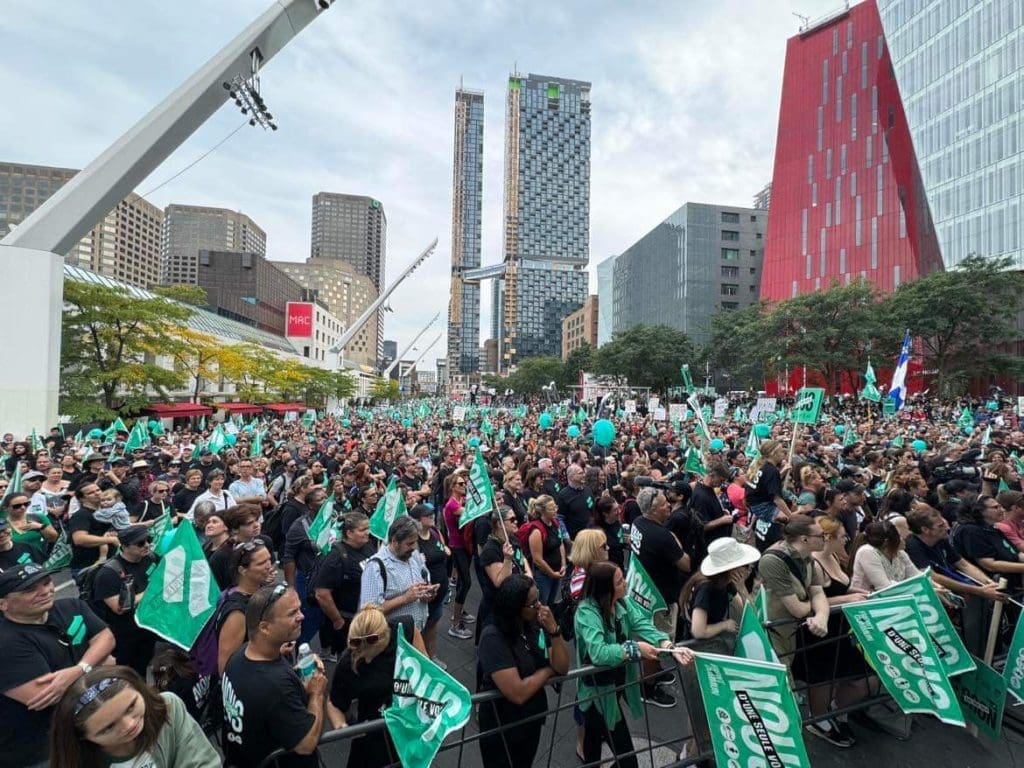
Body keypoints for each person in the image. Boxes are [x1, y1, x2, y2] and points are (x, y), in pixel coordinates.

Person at [574, 562, 693, 768]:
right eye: (620, 581)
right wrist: (635, 648)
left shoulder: (622, 603)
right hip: (597, 696)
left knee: (592, 745)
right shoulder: (587, 613)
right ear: (606, 589)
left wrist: (667, 645)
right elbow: (599, 652)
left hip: (613, 689)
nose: (626, 583)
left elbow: (643, 624)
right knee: (628, 761)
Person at [0, 563, 116, 768]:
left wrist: (81, 668)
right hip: (41, 751)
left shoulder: (72, 606)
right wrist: (101, 665)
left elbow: (106, 637)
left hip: (86, 731)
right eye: (30, 589)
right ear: (3, 604)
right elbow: (49, 696)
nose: (45, 591)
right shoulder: (6, 643)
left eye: (46, 583)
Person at [757, 516, 848, 746]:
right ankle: (779, 745)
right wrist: (812, 607)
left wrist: (821, 617)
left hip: (790, 633)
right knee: (779, 691)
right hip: (771, 632)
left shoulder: (809, 559)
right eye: (821, 536)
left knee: (785, 688)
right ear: (805, 539)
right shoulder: (773, 560)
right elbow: (798, 608)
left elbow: (818, 593)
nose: (825, 539)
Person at [221, 585, 326, 768]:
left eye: (300, 609)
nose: (301, 616)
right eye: (292, 613)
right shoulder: (275, 686)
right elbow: (306, 744)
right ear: (265, 628)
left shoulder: (239, 655)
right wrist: (317, 693)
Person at [477, 574, 570, 768]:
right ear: (515, 607)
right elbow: (517, 692)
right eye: (533, 603)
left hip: (531, 718)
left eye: (538, 600)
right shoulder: (492, 637)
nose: (539, 606)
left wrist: (554, 630)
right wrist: (547, 672)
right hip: (502, 725)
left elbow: (562, 666)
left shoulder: (534, 623)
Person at [48, 665, 219, 768]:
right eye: (108, 728)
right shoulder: (77, 760)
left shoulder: (168, 707)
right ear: (82, 737)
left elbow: (204, 762)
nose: (129, 725)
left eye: (131, 707)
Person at [326, 605, 426, 768]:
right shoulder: (348, 662)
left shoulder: (404, 628)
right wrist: (343, 727)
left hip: (409, 723)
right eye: (357, 645)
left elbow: (425, 669)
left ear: (386, 635)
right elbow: (334, 702)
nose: (364, 654)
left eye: (372, 646)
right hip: (374, 730)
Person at [905, 506, 1007, 656]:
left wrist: (987, 583)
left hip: (963, 591)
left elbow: (963, 564)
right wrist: (979, 590)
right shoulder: (913, 546)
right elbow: (933, 576)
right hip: (938, 600)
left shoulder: (941, 539)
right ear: (925, 530)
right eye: (940, 525)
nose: (947, 526)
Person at [630, 486, 688, 707]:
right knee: (654, 644)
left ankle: (654, 673)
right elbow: (685, 563)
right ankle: (647, 687)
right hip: (658, 600)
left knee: (651, 641)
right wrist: (674, 539)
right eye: (665, 505)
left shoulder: (637, 522)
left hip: (643, 593)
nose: (669, 507)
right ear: (653, 510)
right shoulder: (663, 536)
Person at [90, 525, 159, 676]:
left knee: (142, 667)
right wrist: (151, 591)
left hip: (146, 628)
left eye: (149, 540)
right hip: (123, 636)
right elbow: (120, 607)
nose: (147, 545)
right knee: (126, 674)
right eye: (140, 543)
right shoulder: (108, 574)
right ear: (125, 546)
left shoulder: (151, 558)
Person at [313, 511, 377, 660]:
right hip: (348, 620)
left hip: (366, 617)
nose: (367, 532)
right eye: (362, 530)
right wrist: (337, 620)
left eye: (368, 528)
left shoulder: (368, 546)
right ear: (349, 533)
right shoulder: (336, 557)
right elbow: (322, 593)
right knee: (350, 661)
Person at [359, 515, 437, 631]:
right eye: (409, 543)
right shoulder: (376, 567)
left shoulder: (414, 555)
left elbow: (423, 579)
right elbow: (369, 612)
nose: (414, 547)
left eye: (415, 542)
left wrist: (427, 593)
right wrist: (405, 598)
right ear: (395, 541)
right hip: (392, 638)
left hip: (416, 632)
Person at [216, 540, 277, 675]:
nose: (269, 566)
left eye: (269, 559)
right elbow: (225, 667)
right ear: (243, 570)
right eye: (261, 563)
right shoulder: (237, 613)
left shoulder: (262, 592)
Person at [476, 506, 533, 644]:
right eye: (512, 519)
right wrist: (507, 559)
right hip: (497, 607)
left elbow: (523, 559)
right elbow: (500, 581)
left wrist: (528, 578)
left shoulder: (512, 539)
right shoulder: (490, 550)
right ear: (499, 524)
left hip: (515, 601)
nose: (516, 522)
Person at [407, 504, 451, 663]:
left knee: (432, 627)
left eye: (432, 513)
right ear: (417, 520)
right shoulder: (413, 541)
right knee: (419, 631)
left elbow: (445, 548)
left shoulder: (434, 532)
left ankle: (431, 658)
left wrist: (445, 550)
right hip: (424, 596)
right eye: (427, 514)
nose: (432, 516)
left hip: (440, 591)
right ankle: (419, 661)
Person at [442, 471, 475, 638]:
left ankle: (460, 611)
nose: (465, 486)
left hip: (465, 545)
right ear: (452, 487)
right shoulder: (453, 505)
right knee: (466, 582)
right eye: (461, 484)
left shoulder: (460, 500)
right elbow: (471, 512)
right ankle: (454, 623)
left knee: (463, 581)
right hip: (458, 547)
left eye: (465, 483)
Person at [850, 520, 921, 592]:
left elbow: (918, 577)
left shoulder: (901, 553)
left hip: (896, 597)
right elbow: (885, 588)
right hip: (866, 600)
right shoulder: (867, 552)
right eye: (898, 536)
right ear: (887, 542)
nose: (902, 538)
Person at [746, 440, 791, 552]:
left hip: (755, 506)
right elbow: (777, 499)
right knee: (789, 521)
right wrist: (791, 516)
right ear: (773, 453)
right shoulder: (771, 470)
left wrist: (783, 471)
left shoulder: (761, 466)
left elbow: (767, 484)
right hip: (765, 507)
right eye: (781, 451)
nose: (783, 454)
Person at [68, 483, 121, 577]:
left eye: (98, 490)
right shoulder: (81, 515)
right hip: (89, 567)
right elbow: (79, 539)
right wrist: (111, 540)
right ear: (82, 498)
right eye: (91, 493)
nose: (97, 493)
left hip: (109, 563)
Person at [523, 494, 567, 607]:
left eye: (555, 507)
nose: (555, 510)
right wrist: (552, 574)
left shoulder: (555, 523)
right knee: (542, 604)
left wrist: (563, 564)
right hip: (544, 576)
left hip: (557, 571)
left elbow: (560, 543)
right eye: (551, 508)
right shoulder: (537, 531)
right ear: (542, 511)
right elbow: (537, 559)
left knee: (551, 602)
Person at [690, 462, 734, 543]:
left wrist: (720, 512)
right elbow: (702, 526)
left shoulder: (709, 488)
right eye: (721, 480)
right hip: (710, 544)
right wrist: (722, 520)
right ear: (712, 475)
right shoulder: (700, 496)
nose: (722, 483)